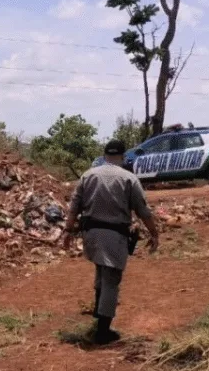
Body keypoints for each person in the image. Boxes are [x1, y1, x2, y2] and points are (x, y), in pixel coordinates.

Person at [62, 139, 160, 344]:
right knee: (111, 281)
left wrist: (68, 230)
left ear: (104, 156)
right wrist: (154, 233)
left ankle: (99, 316)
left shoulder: (88, 175)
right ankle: (103, 332)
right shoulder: (129, 178)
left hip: (92, 235)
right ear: (123, 157)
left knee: (101, 272)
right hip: (114, 236)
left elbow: (74, 207)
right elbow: (142, 210)